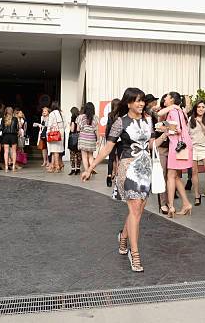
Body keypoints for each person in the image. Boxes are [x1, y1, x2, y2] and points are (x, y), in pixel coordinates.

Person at [88, 88, 160, 272]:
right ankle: (134, 254)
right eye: (137, 101)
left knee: (137, 213)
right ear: (128, 103)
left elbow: (151, 145)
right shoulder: (120, 123)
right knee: (135, 211)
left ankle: (123, 238)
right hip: (128, 169)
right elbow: (107, 149)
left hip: (145, 169)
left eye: (142, 100)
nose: (141, 104)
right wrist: (90, 167)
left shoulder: (149, 120)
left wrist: (166, 134)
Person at [163, 92, 194, 217]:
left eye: (167, 97)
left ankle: (171, 206)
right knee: (175, 176)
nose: (165, 98)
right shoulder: (181, 111)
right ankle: (186, 203)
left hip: (176, 146)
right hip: (183, 146)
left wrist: (163, 127)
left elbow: (176, 129)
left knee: (171, 176)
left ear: (172, 100)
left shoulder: (173, 112)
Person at [188, 100, 205, 206]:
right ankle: (197, 195)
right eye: (199, 107)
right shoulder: (190, 119)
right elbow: (188, 133)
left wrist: (201, 123)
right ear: (195, 108)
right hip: (193, 148)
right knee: (194, 172)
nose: (201, 109)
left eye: (203, 107)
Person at [79, 102, 100, 181]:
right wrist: (98, 139)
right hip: (91, 138)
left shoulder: (81, 117)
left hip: (83, 138)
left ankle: (87, 172)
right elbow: (96, 130)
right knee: (90, 156)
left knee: (84, 157)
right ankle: (90, 170)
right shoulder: (95, 118)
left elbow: (78, 129)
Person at [105, 98, 121, 187]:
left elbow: (108, 127)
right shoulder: (122, 116)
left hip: (112, 139)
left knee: (111, 159)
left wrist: (107, 139)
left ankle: (109, 177)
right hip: (121, 139)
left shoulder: (110, 115)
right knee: (120, 158)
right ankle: (118, 176)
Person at [46, 101, 65, 173]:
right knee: (56, 151)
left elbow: (49, 125)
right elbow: (65, 124)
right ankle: (53, 166)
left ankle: (57, 166)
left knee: (55, 151)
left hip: (54, 134)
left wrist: (48, 132)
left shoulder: (52, 113)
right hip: (61, 133)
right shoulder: (62, 113)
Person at [0, 107, 19, 172]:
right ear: (12, 111)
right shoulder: (15, 119)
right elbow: (17, 128)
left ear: (6, 111)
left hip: (6, 136)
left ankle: (6, 167)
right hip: (13, 136)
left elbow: (1, 128)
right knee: (14, 152)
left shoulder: (3, 119)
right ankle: (13, 166)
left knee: (6, 152)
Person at [68, 107, 82, 175]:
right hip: (79, 136)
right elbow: (79, 129)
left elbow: (72, 129)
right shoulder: (80, 118)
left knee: (72, 153)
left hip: (73, 137)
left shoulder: (73, 118)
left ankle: (73, 169)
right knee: (79, 153)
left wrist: (69, 125)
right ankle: (78, 169)